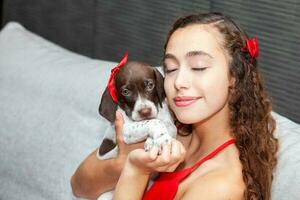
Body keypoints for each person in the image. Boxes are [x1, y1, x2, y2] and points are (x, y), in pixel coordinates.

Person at [71, 12, 278, 200]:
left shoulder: (220, 185)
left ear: (234, 75)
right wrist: (121, 162)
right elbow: (78, 186)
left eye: (198, 67)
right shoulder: (166, 123)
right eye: (170, 69)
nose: (178, 81)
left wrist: (136, 169)